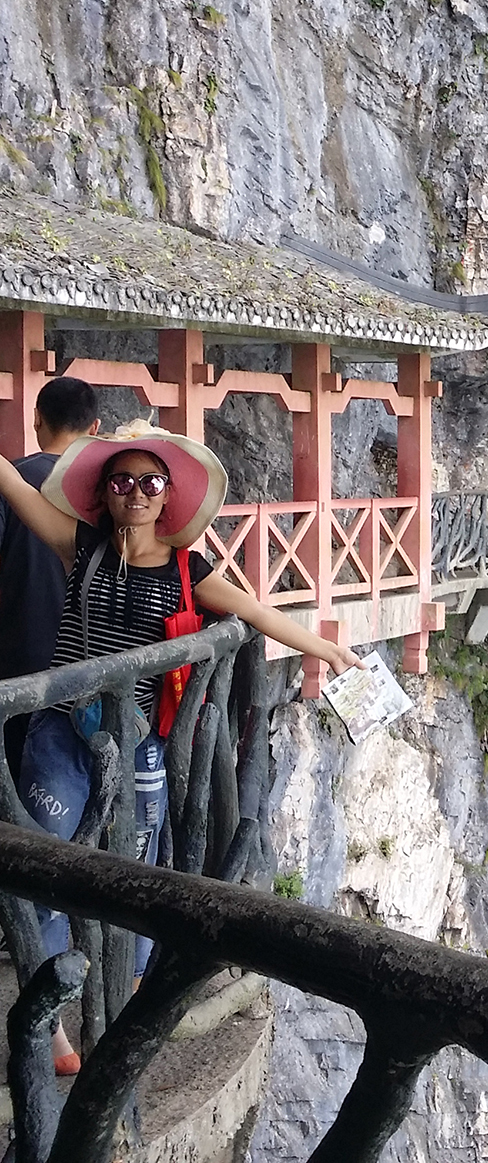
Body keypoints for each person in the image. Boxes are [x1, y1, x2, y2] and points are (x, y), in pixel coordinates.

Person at [0, 421, 358, 1074]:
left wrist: (324, 648)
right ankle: (48, 1023)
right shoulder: (80, 544)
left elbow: (255, 612)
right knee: (43, 863)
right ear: (103, 493)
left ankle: (129, 1005)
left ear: (168, 495)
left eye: (150, 482)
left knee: (136, 871)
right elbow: (18, 493)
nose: (136, 493)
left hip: (139, 743)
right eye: (122, 482)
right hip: (62, 732)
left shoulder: (188, 570)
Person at [1, 381, 101, 733]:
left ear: (37, 419)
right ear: (95, 427)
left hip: (18, 659)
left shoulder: (14, 480)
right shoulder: (114, 492)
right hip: (95, 664)